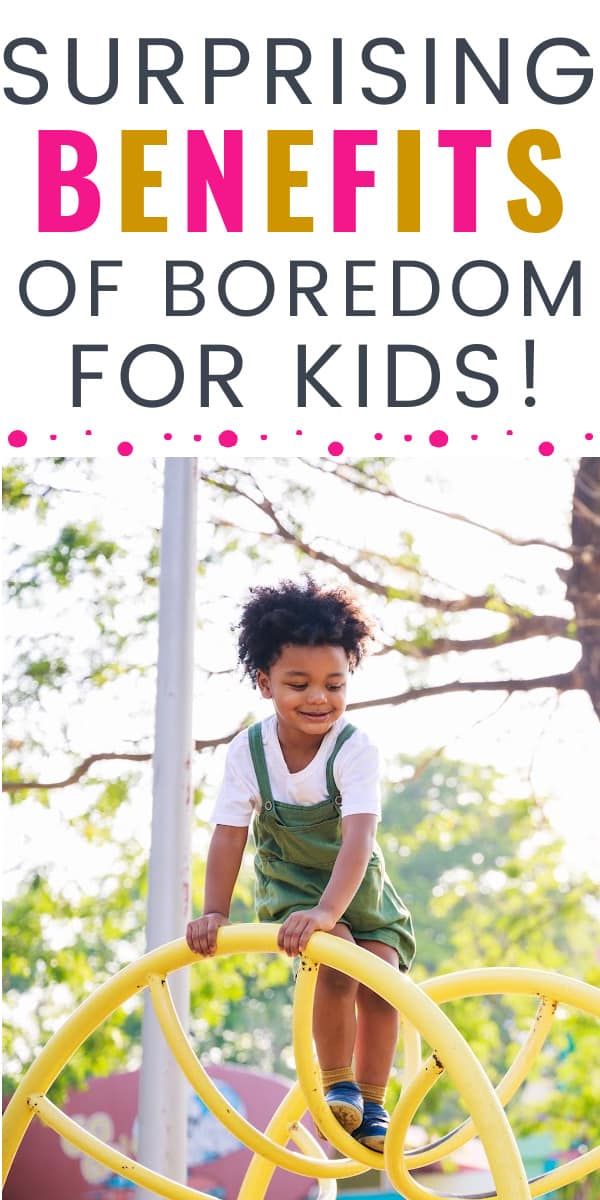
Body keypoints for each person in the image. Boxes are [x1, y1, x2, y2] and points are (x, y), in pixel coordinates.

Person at [186, 578, 415, 1151]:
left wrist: (330, 908)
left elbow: (359, 838)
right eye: (299, 684)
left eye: (334, 685)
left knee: (382, 980)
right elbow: (228, 836)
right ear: (265, 683)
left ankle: (373, 1102)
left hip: (358, 888)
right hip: (294, 889)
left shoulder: (354, 748)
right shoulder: (249, 752)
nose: (318, 698)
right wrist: (214, 911)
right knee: (336, 959)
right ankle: (338, 1085)